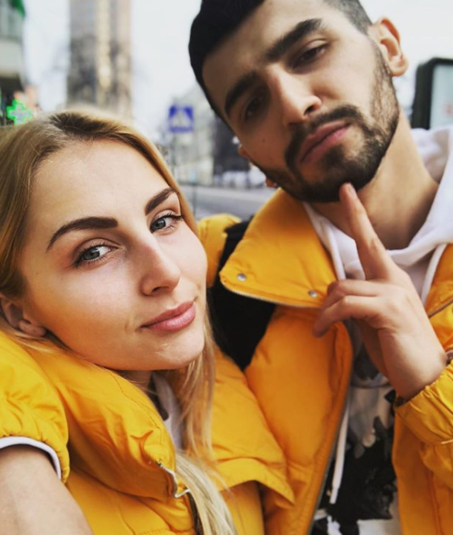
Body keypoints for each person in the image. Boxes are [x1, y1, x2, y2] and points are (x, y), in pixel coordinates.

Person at [189, 1, 453, 534]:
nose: (293, 105)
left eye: (310, 52)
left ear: (389, 48)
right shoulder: (212, 272)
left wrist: (432, 386)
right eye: (253, 105)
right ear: (252, 157)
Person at [0, 111, 292, 535]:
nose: (167, 272)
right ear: (19, 313)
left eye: (164, 220)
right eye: (94, 251)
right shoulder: (26, 477)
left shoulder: (222, 382)